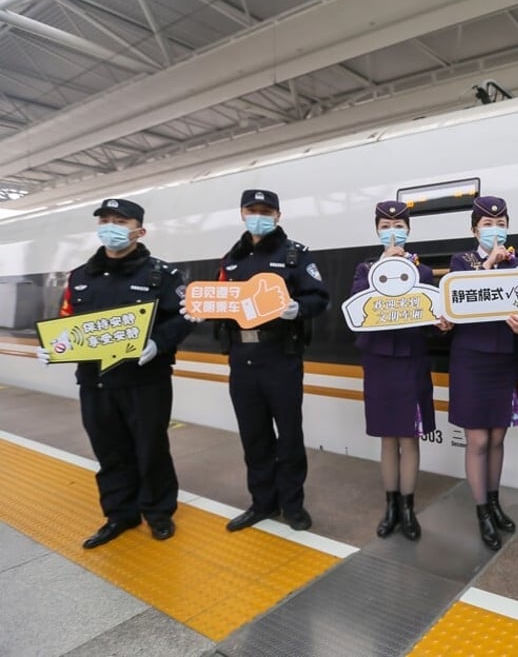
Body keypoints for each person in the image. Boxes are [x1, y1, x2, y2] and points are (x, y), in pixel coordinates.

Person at [37, 199, 192, 548]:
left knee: (151, 448)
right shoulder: (79, 277)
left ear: (139, 230)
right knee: (109, 451)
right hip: (95, 381)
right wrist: (51, 347)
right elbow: (67, 322)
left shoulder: (161, 275)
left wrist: (158, 343)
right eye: (105, 220)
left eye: (120, 221)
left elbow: (182, 317)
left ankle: (158, 511)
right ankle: (120, 514)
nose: (111, 226)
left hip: (145, 381)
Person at [214, 189, 330, 532]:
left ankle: (293, 505)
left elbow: (319, 298)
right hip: (241, 358)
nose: (259, 216)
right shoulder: (231, 259)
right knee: (254, 436)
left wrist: (298, 309)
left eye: (266, 210)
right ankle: (262, 503)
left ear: (278, 215)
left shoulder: (295, 255)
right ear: (242, 213)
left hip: (281, 357)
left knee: (290, 435)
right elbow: (220, 300)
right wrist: (201, 309)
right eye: (252, 210)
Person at [352, 201, 449, 541]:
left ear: (408, 230)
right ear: (377, 229)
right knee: (387, 437)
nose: (393, 231)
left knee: (409, 436)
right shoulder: (365, 269)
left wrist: (443, 324)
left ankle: (408, 507)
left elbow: (432, 315)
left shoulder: (421, 271)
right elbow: (355, 312)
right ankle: (390, 506)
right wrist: (381, 267)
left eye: (399, 225)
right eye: (386, 225)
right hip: (378, 362)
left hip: (411, 360)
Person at [445, 196, 518, 551]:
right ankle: (481, 511)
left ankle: (494, 503)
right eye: (487, 224)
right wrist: (489, 266)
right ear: (474, 229)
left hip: (503, 360)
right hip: (470, 360)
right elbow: (455, 303)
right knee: (477, 440)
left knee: (497, 438)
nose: (494, 230)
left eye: (500, 223)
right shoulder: (460, 262)